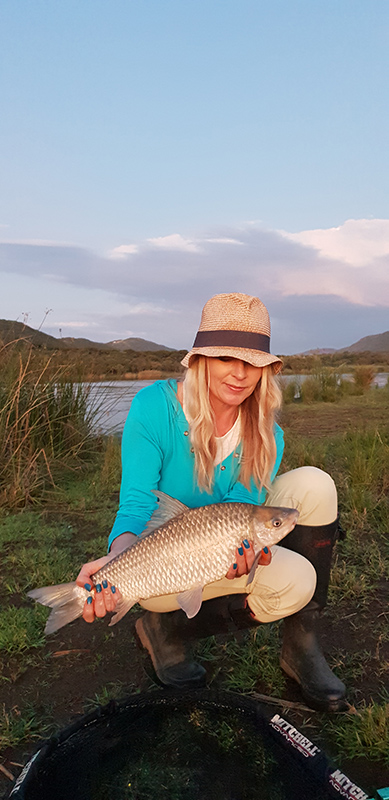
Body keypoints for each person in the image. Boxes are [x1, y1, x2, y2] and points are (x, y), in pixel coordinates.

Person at [77, 293, 346, 712]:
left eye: (254, 362)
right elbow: (134, 503)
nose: (240, 374)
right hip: (160, 552)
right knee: (293, 579)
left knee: (317, 485)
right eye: (226, 358)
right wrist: (117, 558)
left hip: (214, 538)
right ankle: (163, 628)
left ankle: (301, 646)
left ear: (265, 369)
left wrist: (248, 552)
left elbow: (241, 505)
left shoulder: (266, 432)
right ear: (200, 359)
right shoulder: (154, 407)